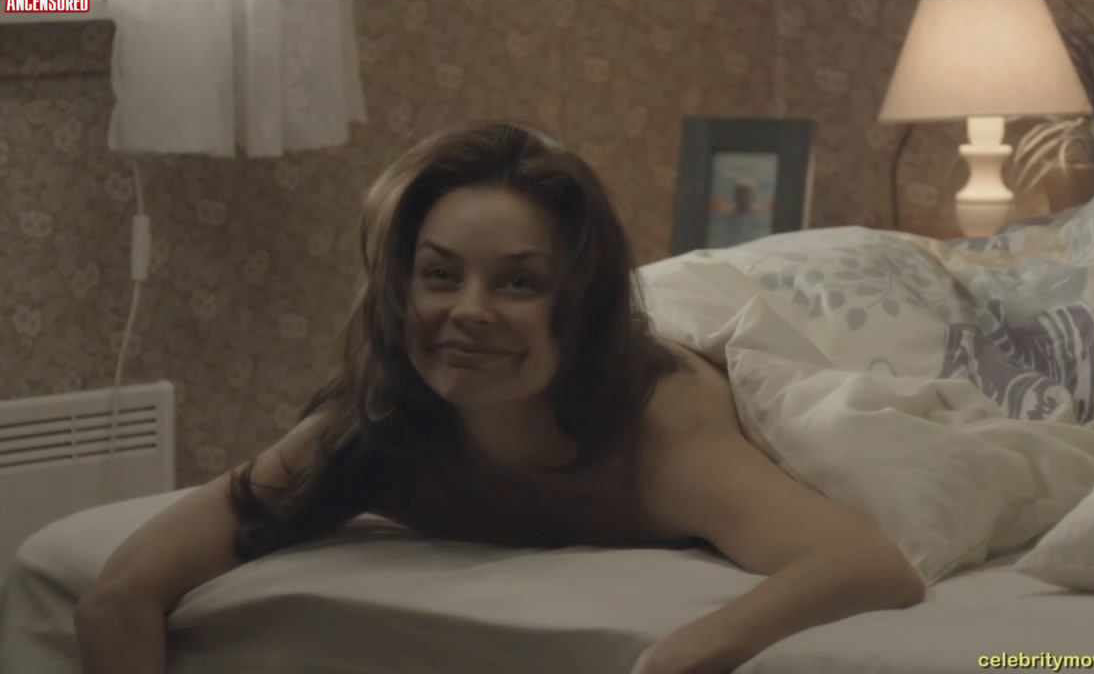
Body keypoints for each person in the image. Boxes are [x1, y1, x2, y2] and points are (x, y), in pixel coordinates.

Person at [72, 121, 924, 674]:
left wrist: (686, 652)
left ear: (575, 302)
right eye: (440, 276)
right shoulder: (374, 428)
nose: (469, 312)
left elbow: (867, 564)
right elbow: (120, 595)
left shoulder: (658, 435)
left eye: (518, 281)